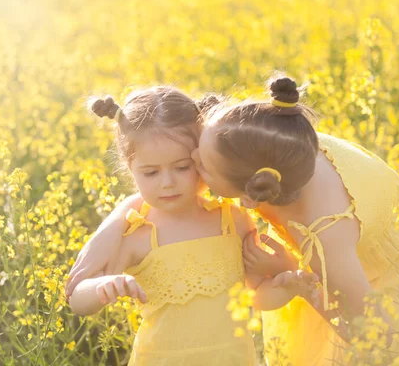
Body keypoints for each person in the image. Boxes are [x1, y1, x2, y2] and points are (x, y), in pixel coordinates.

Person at [67, 87, 318, 365]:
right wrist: (102, 287)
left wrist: (285, 288)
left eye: (182, 167)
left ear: (203, 156)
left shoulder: (232, 221)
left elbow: (255, 295)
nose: (167, 182)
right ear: (130, 168)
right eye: (151, 172)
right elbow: (77, 299)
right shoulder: (136, 232)